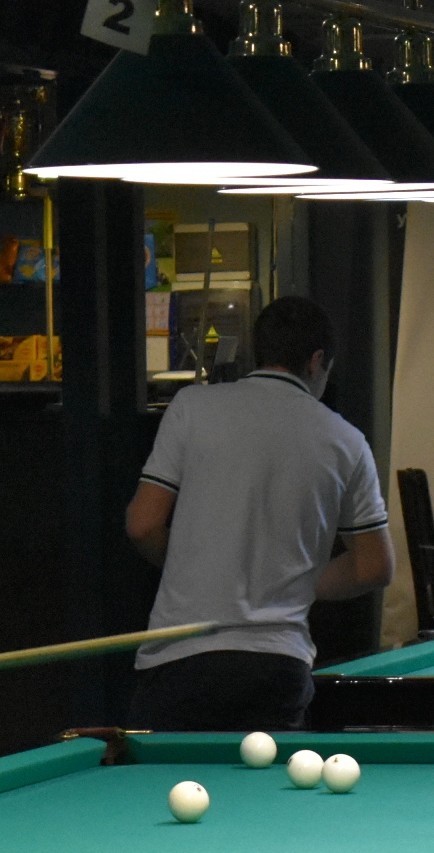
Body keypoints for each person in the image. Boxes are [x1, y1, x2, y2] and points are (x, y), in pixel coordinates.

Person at [124, 295, 392, 731]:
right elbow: (374, 566)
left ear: (258, 349)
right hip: (277, 665)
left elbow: (142, 524)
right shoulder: (347, 441)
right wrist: (297, 582)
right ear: (316, 361)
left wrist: (194, 566)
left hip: (180, 659)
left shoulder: (192, 406)